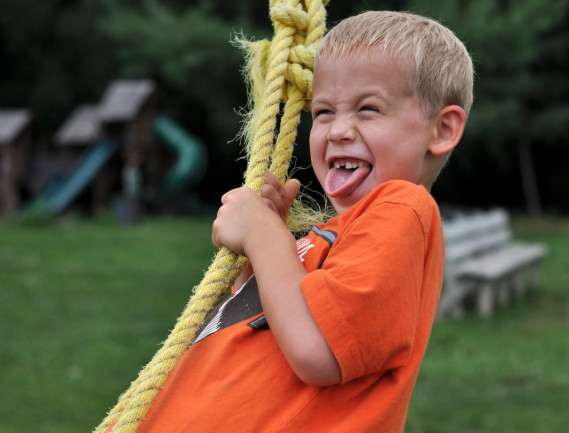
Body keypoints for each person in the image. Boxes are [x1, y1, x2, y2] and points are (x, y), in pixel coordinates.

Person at [136, 10, 473, 432]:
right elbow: (265, 333)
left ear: (441, 130)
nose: (337, 131)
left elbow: (319, 349)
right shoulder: (331, 241)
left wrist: (264, 238)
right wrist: (256, 264)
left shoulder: (402, 208)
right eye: (325, 112)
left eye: (368, 109)